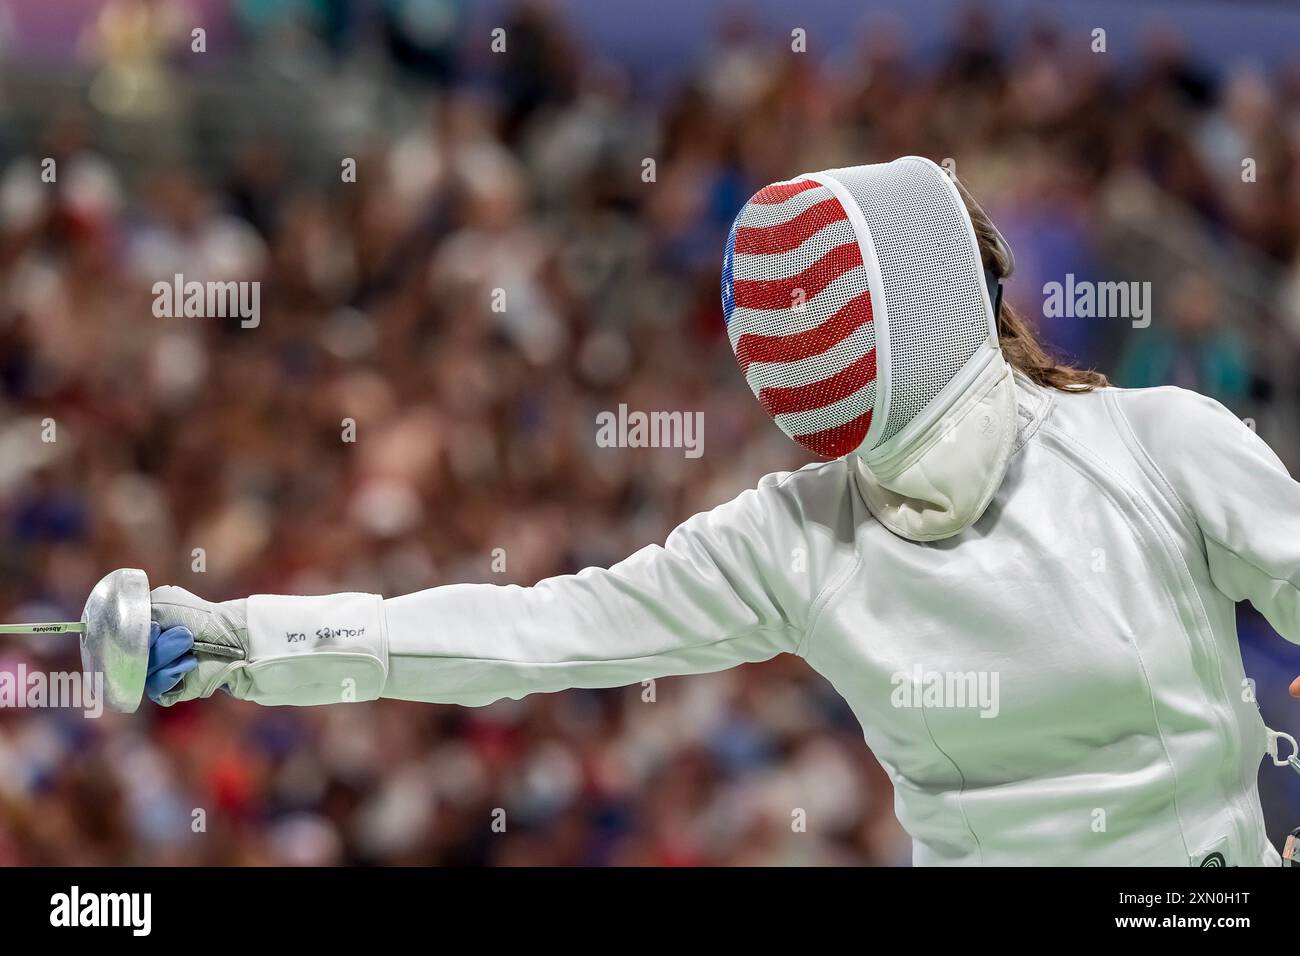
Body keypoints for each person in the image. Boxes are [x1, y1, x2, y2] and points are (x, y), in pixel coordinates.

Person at [144, 156, 1300, 866]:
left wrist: (249, 639)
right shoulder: (1152, 438)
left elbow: (525, 635)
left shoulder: (803, 533)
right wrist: (249, 641)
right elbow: (528, 635)